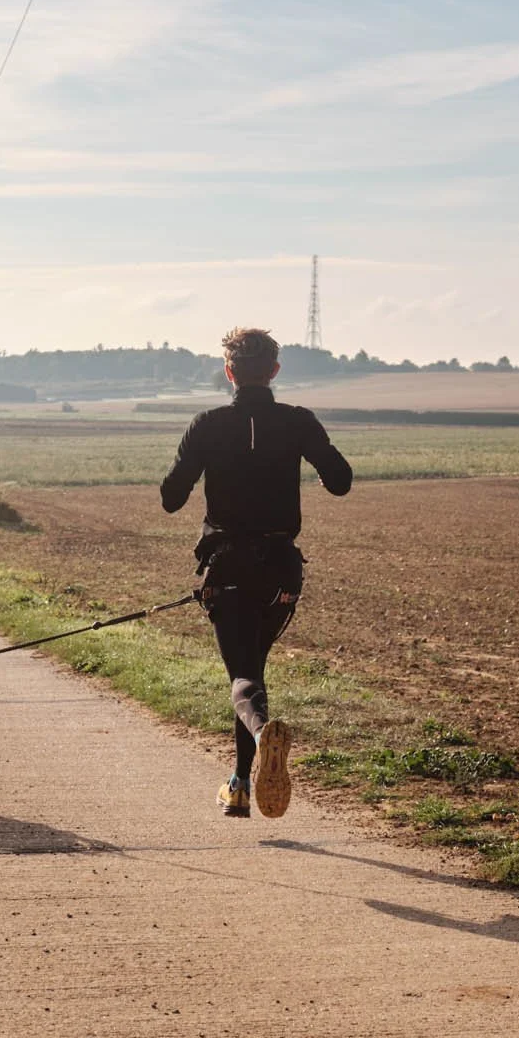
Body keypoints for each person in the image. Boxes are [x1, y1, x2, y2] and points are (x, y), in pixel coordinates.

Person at [160, 327, 352, 818]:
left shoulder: (207, 424)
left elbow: (171, 498)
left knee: (243, 675)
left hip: (227, 566)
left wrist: (196, 462)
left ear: (229, 372)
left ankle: (262, 734)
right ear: (274, 371)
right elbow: (340, 482)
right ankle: (240, 784)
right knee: (254, 669)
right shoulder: (298, 421)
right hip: (280, 571)